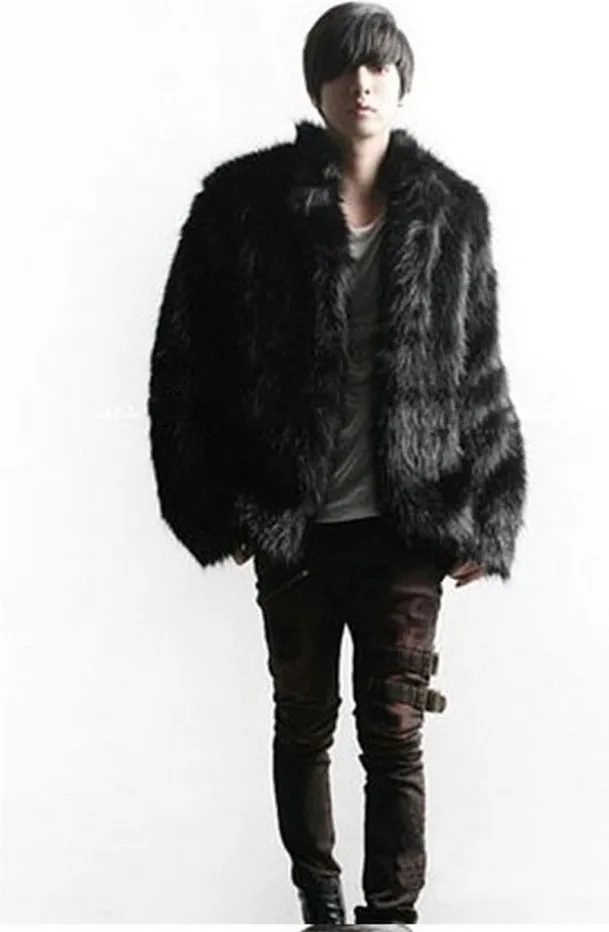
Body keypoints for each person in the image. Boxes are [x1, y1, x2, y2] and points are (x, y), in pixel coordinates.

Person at [147, 2, 526, 925]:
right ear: (317, 84)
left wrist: (486, 513)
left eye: (380, 67)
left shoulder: (453, 215)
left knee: (395, 733)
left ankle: (389, 913)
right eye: (344, 68)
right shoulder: (242, 206)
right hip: (296, 522)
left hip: (409, 523)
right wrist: (217, 506)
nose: (363, 84)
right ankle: (320, 902)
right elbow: (183, 365)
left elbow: (480, 373)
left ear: (402, 82)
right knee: (303, 721)